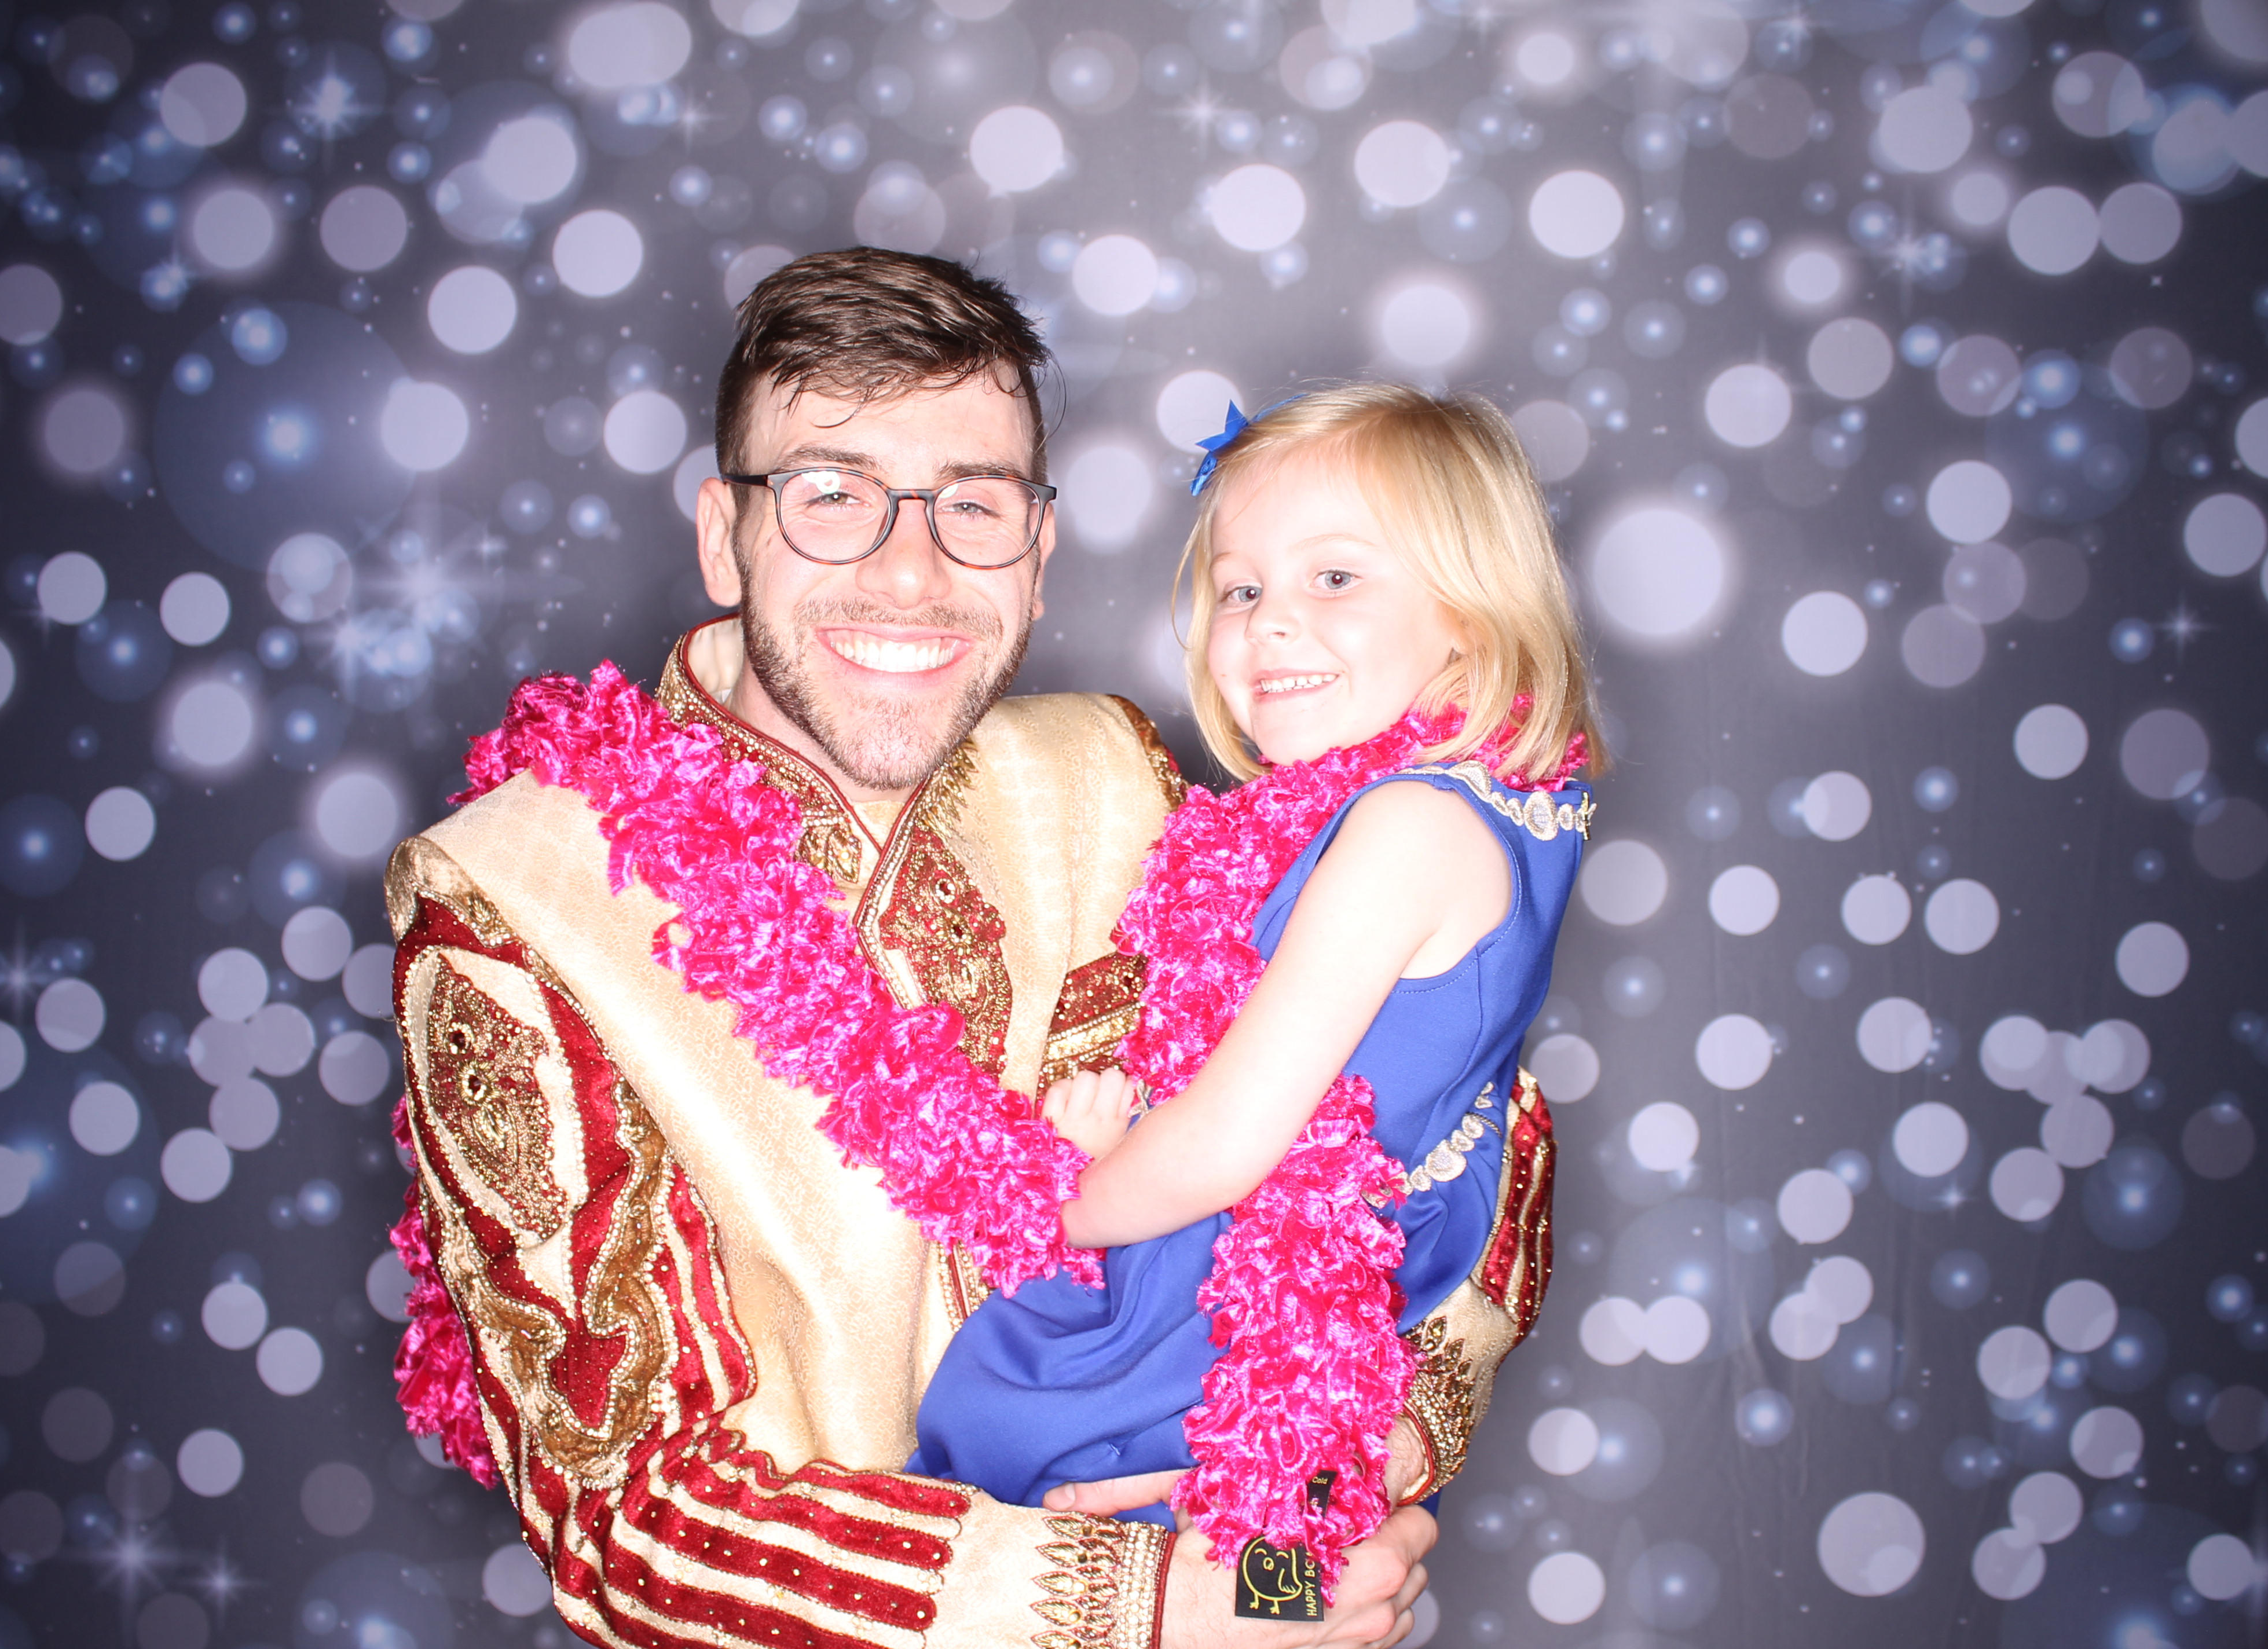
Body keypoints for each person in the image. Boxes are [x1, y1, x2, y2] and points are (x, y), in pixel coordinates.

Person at [382, 248, 1552, 1649]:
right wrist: (1141, 1606)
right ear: (721, 535)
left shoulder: (1113, 776)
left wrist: (1361, 1456)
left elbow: (1471, 1111)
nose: (908, 568)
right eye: (831, 494)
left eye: (973, 506)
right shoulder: (515, 900)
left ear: (1040, 554)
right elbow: (627, 1510)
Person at [910, 386, 1599, 1585]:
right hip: (1310, 1288)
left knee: (1021, 1446)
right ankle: (1278, 1591)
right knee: (1278, 1564)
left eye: (1335, 578)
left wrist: (1043, 1203)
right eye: (1242, 588)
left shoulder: (1403, 828)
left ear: (1472, 615)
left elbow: (1228, 1140)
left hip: (1249, 1298)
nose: (1271, 623)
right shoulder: (1458, 810)